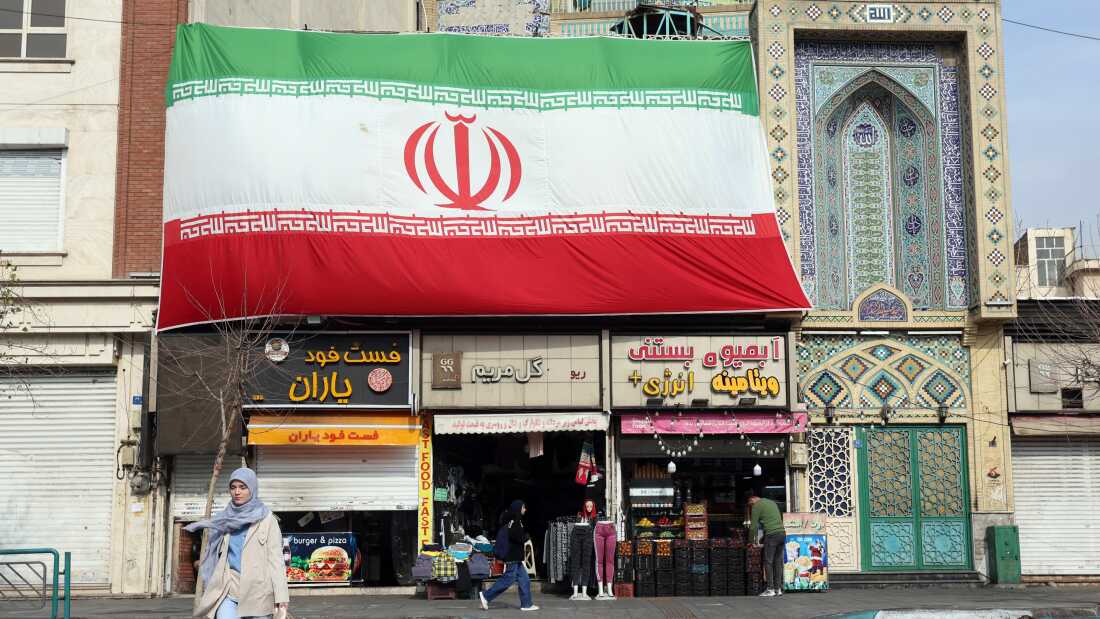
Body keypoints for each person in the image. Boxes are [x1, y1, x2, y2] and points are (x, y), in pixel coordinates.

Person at [186, 468, 289, 619]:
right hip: (229, 589)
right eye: (233, 487)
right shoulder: (225, 518)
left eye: (243, 487)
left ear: (252, 488)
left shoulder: (267, 519)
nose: (237, 492)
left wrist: (281, 597)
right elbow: (214, 553)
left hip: (258, 593)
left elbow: (276, 561)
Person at [479, 500, 539, 612]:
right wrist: (526, 537)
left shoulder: (515, 521)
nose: (525, 509)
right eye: (523, 507)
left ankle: (526, 604)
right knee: (508, 579)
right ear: (518, 508)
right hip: (512, 556)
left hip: (516, 557)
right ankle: (486, 596)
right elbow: (516, 537)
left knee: (525, 579)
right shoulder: (515, 521)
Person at [746, 489, 786, 597]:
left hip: (772, 535)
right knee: (778, 562)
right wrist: (763, 538)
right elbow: (773, 521)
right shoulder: (771, 502)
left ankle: (770, 589)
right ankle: (778, 589)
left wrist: (750, 541)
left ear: (752, 500)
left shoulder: (756, 506)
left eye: (750, 505)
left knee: (768, 561)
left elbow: (753, 526)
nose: (751, 507)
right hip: (782, 534)